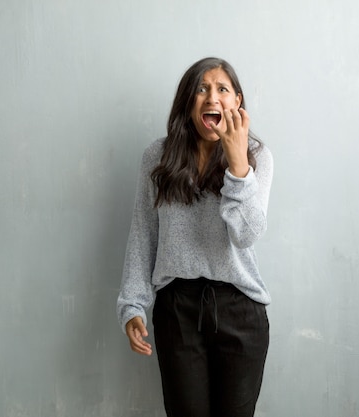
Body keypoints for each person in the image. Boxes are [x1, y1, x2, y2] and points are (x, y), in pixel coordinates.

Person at [116, 57, 273, 417]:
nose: (211, 97)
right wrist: (132, 305)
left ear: (237, 102)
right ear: (188, 101)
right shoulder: (158, 157)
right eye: (201, 88)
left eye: (222, 89)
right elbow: (143, 234)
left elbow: (247, 234)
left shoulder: (258, 157)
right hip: (178, 312)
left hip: (240, 311)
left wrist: (237, 166)